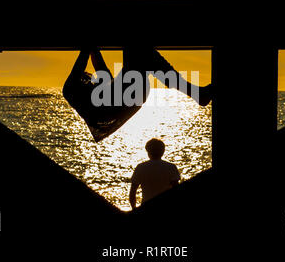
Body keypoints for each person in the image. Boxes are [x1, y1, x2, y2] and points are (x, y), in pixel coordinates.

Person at [63, 46, 212, 142]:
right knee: (140, 51)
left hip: (130, 98)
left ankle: (197, 94)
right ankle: (196, 94)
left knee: (144, 55)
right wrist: (91, 50)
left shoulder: (85, 95)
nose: (89, 78)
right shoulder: (70, 89)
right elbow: (85, 54)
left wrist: (94, 51)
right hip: (126, 97)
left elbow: (102, 71)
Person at [129, 138, 180, 209]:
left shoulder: (141, 167)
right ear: (163, 151)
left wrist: (133, 208)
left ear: (148, 151)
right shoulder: (171, 167)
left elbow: (132, 192)